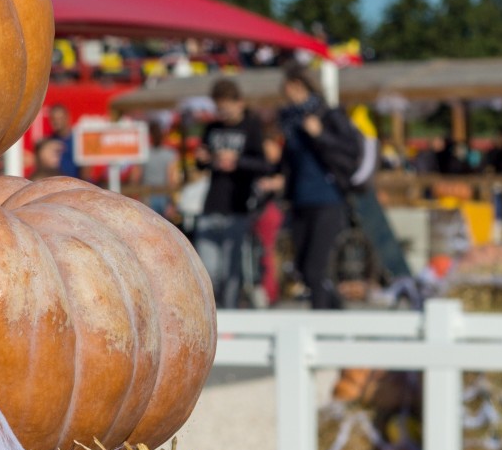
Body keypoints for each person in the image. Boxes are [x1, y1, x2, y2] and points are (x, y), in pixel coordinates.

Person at [276, 64, 360, 310]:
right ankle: (335, 310)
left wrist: (320, 134)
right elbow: (289, 161)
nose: (288, 94)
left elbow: (349, 150)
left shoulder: (327, 114)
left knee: (315, 266)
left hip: (327, 198)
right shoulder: (289, 120)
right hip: (300, 199)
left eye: (292, 88)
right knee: (302, 266)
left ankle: (320, 319)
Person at [192, 79, 270, 308]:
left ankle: (230, 316)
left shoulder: (251, 127)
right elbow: (201, 163)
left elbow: (263, 165)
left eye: (226, 108)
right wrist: (203, 159)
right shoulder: (212, 128)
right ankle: (212, 315)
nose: (222, 114)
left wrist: (237, 161)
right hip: (211, 204)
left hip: (238, 206)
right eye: (219, 108)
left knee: (230, 272)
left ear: (239, 103)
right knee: (207, 271)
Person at [138, 120, 182, 221]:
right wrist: (172, 202)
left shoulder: (144, 152)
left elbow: (136, 175)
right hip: (164, 195)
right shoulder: (170, 153)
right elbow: (171, 178)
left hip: (147, 195)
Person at [39, 105, 80, 178]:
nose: (57, 122)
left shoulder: (78, 140)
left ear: (67, 118)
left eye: (60, 118)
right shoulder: (48, 142)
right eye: (54, 119)